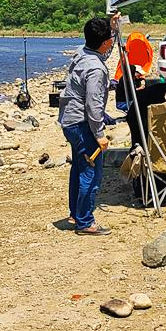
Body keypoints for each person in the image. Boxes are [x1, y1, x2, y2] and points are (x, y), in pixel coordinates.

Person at [57, 12, 118, 235]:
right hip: (82, 123)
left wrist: (114, 27)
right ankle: (85, 222)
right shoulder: (95, 69)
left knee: (80, 168)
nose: (111, 41)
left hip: (69, 121)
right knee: (90, 173)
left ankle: (76, 213)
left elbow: (104, 51)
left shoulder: (83, 52)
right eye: (110, 38)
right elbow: (93, 106)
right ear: (104, 42)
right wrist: (100, 135)